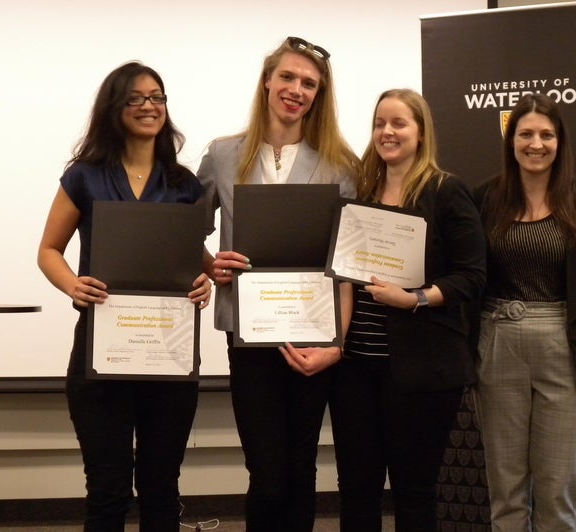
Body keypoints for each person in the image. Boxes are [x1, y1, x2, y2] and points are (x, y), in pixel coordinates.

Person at [37, 61, 211, 531]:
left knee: (161, 489)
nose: (148, 106)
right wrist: (73, 283)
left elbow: (198, 259)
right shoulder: (85, 176)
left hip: (168, 357)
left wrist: (205, 280)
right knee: (107, 492)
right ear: (115, 108)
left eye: (157, 96)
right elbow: (49, 251)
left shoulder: (183, 183)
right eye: (135, 98)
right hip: (101, 356)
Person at [196, 37, 359, 531]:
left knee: (300, 467)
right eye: (287, 77)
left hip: (313, 333)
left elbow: (348, 262)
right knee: (266, 473)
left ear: (319, 95)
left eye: (309, 83)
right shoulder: (224, 155)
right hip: (248, 335)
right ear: (267, 80)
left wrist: (338, 341)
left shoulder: (342, 164)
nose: (296, 89)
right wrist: (211, 264)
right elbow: (185, 229)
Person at [323, 88, 486, 531]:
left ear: (420, 132)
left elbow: (472, 276)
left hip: (423, 370)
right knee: (356, 489)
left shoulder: (446, 191)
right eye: (379, 123)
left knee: (414, 491)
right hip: (356, 368)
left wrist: (414, 298)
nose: (387, 132)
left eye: (398, 123)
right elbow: (342, 275)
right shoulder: (360, 192)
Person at [472, 92, 576, 531]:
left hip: (565, 348)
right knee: (507, 490)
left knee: (557, 489)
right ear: (510, 140)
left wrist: (568, 323)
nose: (536, 143)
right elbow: (471, 274)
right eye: (526, 133)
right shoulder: (485, 199)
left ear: (560, 142)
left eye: (547, 134)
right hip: (498, 345)